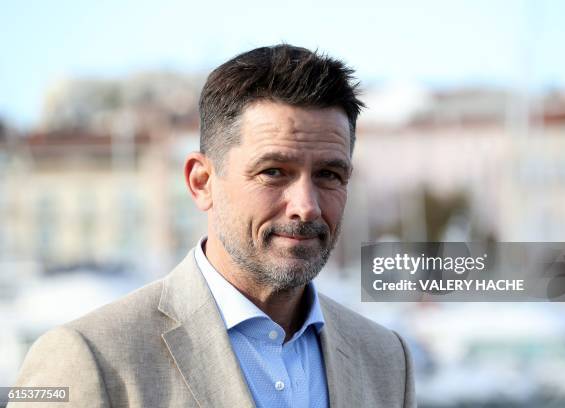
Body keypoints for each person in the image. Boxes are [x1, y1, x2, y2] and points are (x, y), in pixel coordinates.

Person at [10, 45, 416, 408]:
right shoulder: (88, 358)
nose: (306, 207)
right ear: (201, 182)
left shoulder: (386, 360)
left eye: (329, 174)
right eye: (273, 172)